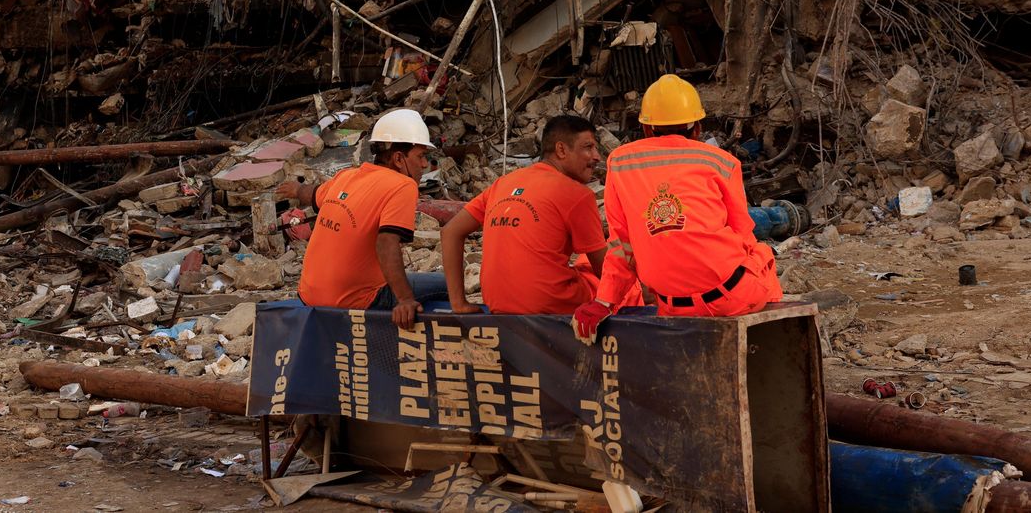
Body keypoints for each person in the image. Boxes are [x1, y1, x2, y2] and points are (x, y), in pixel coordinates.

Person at [571, 74, 783, 344]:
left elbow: (621, 244)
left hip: (673, 307)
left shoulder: (619, 163)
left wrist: (603, 302)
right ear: (697, 129)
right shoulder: (721, 161)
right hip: (731, 299)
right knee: (761, 252)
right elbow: (743, 233)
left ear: (646, 129)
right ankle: (771, 339)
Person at [442, 115, 640, 315]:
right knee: (624, 284)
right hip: (551, 304)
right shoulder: (577, 194)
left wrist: (458, 303)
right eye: (588, 147)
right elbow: (604, 271)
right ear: (561, 150)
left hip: (498, 303)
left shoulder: (503, 183)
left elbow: (450, 231)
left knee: (584, 261)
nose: (596, 156)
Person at [275, 108, 447, 329]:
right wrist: (405, 300)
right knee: (450, 283)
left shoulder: (347, 176)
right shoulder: (403, 185)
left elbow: (313, 194)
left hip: (309, 296)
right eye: (420, 156)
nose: (424, 164)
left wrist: (297, 190)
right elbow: (386, 243)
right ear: (398, 158)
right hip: (356, 301)